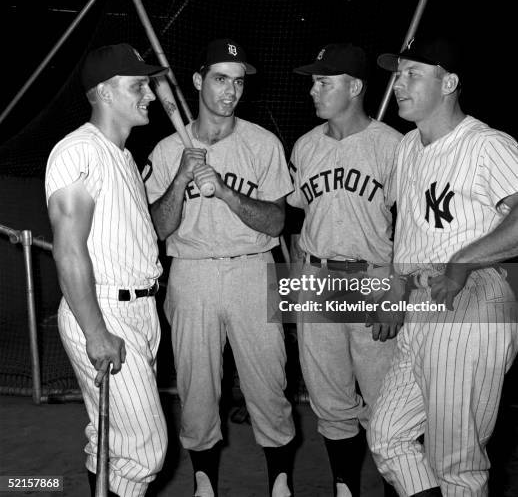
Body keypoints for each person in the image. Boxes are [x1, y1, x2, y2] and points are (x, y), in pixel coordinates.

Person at [143, 38, 296, 497]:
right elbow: (158, 227)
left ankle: (280, 482)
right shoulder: (169, 149)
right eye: (220, 78)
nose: (231, 91)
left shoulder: (262, 143)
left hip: (253, 268)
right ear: (197, 81)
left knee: (270, 384)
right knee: (196, 386)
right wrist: (182, 178)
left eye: (238, 81)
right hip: (192, 274)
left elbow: (277, 219)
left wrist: (227, 192)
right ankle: (204, 481)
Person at [367, 36, 518, 496]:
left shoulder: (486, 144)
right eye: (399, 73)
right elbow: (409, 229)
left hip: (474, 300)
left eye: (413, 73)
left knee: (456, 463)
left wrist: (463, 260)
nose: (400, 83)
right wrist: (395, 288)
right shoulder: (409, 147)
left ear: (448, 82)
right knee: (388, 435)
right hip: (423, 303)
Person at [45, 44, 169, 497]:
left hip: (138, 310)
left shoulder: (123, 157)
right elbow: (68, 251)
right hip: (101, 310)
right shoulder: (78, 150)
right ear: (102, 93)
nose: (152, 95)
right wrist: (95, 332)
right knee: (144, 450)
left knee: (112, 441)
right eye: (138, 85)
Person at [287, 43, 402, 497]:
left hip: (374, 280)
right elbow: (301, 222)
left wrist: (396, 292)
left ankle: (400, 486)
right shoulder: (304, 145)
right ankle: (345, 488)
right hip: (316, 280)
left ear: (354, 87)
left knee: (386, 405)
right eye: (314, 82)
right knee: (330, 403)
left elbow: (411, 230)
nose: (313, 91)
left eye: (324, 82)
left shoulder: (394, 146)